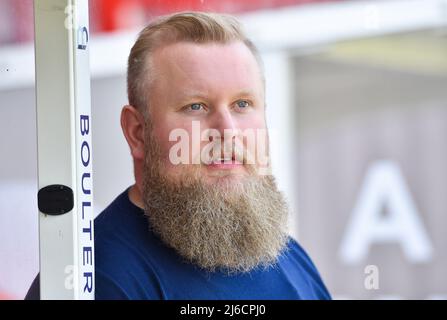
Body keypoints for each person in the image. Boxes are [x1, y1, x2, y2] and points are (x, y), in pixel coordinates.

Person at [26, 11, 331, 300]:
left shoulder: (289, 258)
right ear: (137, 132)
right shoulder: (98, 280)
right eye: (196, 106)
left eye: (242, 104)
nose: (227, 131)